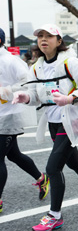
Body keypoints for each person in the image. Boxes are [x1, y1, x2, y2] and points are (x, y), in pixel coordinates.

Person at [12, 24, 78, 231]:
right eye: (40, 36)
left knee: (52, 168)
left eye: (49, 36)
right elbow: (35, 95)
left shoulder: (70, 62)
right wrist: (26, 97)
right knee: (74, 162)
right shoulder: (36, 67)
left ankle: (54, 216)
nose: (44, 39)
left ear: (59, 41)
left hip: (71, 118)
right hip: (53, 122)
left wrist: (71, 98)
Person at [0, 28, 49, 213]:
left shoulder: (10, 61)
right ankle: (41, 179)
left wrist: (7, 91)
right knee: (14, 155)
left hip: (9, 114)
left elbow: (27, 81)